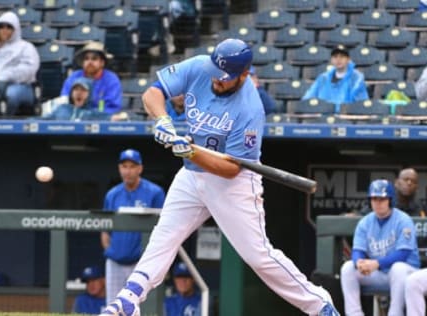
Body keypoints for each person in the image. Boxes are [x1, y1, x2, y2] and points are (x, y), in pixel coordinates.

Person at [100, 38, 340, 316]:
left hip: (233, 183)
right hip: (191, 176)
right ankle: (129, 300)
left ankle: (320, 305)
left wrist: (189, 153)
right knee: (165, 235)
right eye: (215, 73)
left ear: (244, 75)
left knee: (258, 256)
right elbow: (152, 93)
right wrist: (163, 121)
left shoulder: (250, 108)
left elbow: (230, 169)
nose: (216, 81)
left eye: (224, 78)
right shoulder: (201, 67)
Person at [340, 179, 420, 316]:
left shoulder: (403, 219)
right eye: (374, 198)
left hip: (406, 273)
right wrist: (358, 262)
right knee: (348, 268)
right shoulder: (365, 222)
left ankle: (395, 313)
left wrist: (376, 264)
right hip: (379, 273)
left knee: (398, 268)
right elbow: (358, 250)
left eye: (382, 199)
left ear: (390, 200)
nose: (378, 202)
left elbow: (403, 253)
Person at [101, 149, 166, 306]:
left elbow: (163, 228)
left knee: (145, 307)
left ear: (140, 168)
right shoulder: (112, 194)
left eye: (132, 166)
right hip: (115, 261)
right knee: (113, 306)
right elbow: (105, 228)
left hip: (141, 263)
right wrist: (109, 251)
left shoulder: (155, 193)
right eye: (124, 166)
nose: (128, 171)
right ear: (119, 168)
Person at [0, 11, 40, 116]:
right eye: (1, 27)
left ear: (15, 29)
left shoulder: (26, 47)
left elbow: (29, 69)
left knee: (11, 94)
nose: (4, 30)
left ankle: (5, 123)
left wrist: (4, 77)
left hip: (19, 85)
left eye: (9, 27)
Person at [61, 41, 122, 115]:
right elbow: (64, 102)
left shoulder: (112, 80)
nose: (90, 62)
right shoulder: (73, 77)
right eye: (86, 59)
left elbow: (113, 108)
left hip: (101, 120)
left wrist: (91, 115)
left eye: (94, 58)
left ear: (102, 62)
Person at [302, 45, 369, 113]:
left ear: (348, 59)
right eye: (335, 57)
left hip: (345, 119)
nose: (338, 60)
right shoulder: (323, 78)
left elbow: (361, 104)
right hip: (322, 118)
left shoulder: (356, 79)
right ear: (331, 60)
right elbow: (307, 99)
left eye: (342, 57)